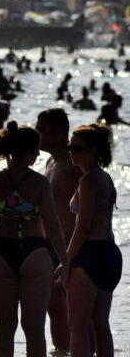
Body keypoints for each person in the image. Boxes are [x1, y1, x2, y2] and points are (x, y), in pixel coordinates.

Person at [0, 121, 69, 357]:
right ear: (29, 151)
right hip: (34, 252)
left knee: (3, 329)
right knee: (34, 330)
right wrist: (65, 261)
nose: (39, 154)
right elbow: (52, 225)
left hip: (0, 252)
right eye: (36, 149)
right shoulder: (40, 182)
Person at [66, 124, 122, 357]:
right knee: (100, 324)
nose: (71, 152)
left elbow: (83, 226)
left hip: (90, 254)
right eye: (70, 147)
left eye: (77, 148)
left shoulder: (88, 181)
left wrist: (65, 259)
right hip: (110, 254)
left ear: (93, 150)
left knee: (78, 326)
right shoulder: (105, 177)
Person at [35, 108, 82, 351]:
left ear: (57, 131)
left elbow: (95, 204)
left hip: (70, 245)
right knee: (53, 307)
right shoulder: (50, 161)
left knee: (70, 309)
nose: (37, 133)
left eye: (41, 128)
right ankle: (61, 352)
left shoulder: (75, 163)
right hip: (48, 245)